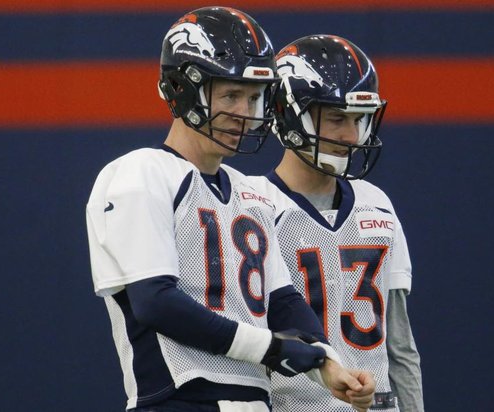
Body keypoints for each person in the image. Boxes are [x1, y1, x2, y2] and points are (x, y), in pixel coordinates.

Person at [85, 8, 374, 412]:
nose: (244, 111)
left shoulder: (249, 191)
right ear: (182, 89)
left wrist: (327, 362)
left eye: (254, 96)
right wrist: (270, 348)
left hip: (255, 402)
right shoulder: (139, 173)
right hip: (179, 397)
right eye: (230, 95)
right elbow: (156, 302)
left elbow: (283, 300)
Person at [247, 35, 424, 411]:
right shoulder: (253, 205)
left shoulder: (376, 205)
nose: (349, 135)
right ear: (287, 113)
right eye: (336, 118)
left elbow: (400, 347)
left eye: (358, 119)